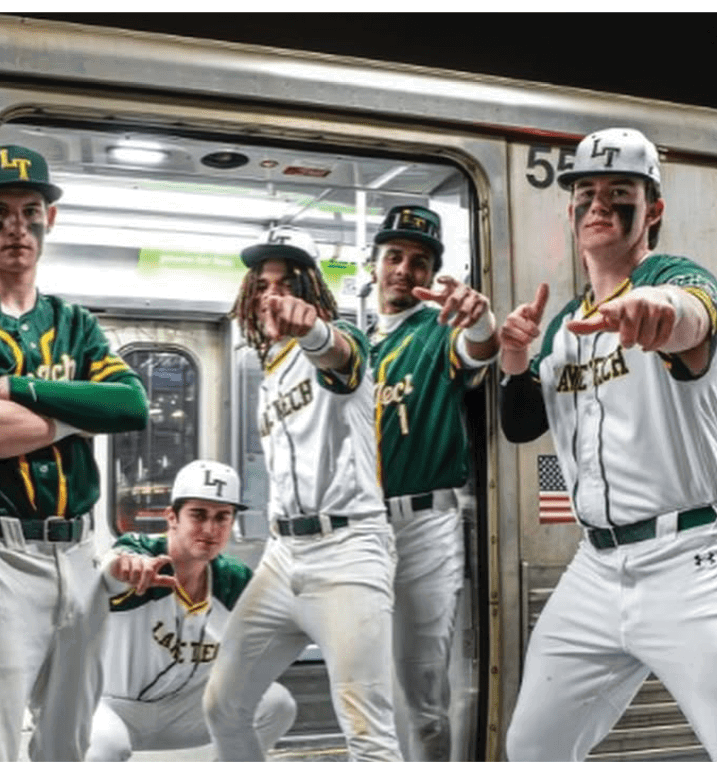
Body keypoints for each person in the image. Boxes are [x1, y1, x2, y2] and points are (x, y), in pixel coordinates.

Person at [498, 127, 717, 761]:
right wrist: (515, 357)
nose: (598, 203)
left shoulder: (672, 277)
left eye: (619, 191)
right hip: (596, 569)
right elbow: (521, 425)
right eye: (586, 192)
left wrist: (658, 310)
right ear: (571, 210)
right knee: (533, 749)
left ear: (652, 210)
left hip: (693, 558)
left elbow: (690, 312)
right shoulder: (565, 325)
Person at [0, 144, 150, 761]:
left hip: (80, 552)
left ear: (50, 219)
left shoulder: (74, 322)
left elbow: (131, 405)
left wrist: (24, 390)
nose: (16, 227)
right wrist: (81, 414)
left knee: (69, 745)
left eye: (30, 212)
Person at [203, 226, 402, 761]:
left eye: (287, 285)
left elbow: (340, 357)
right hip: (283, 554)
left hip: (347, 550)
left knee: (367, 731)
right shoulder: (267, 369)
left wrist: (312, 330)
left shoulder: (339, 338)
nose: (273, 296)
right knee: (223, 705)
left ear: (311, 292)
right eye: (263, 285)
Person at [367, 204, 498, 761]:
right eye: (394, 256)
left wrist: (480, 320)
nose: (404, 269)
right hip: (362, 530)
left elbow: (479, 349)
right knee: (366, 683)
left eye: (419, 261)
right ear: (374, 263)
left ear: (432, 273)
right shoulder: (357, 345)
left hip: (425, 527)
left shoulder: (439, 328)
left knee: (420, 690)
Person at [86, 459, 297, 761]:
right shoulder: (144, 554)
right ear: (172, 517)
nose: (210, 529)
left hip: (181, 711)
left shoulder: (233, 579)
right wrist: (124, 567)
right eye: (198, 515)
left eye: (222, 517)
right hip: (108, 706)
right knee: (105, 745)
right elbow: (117, 562)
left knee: (276, 703)